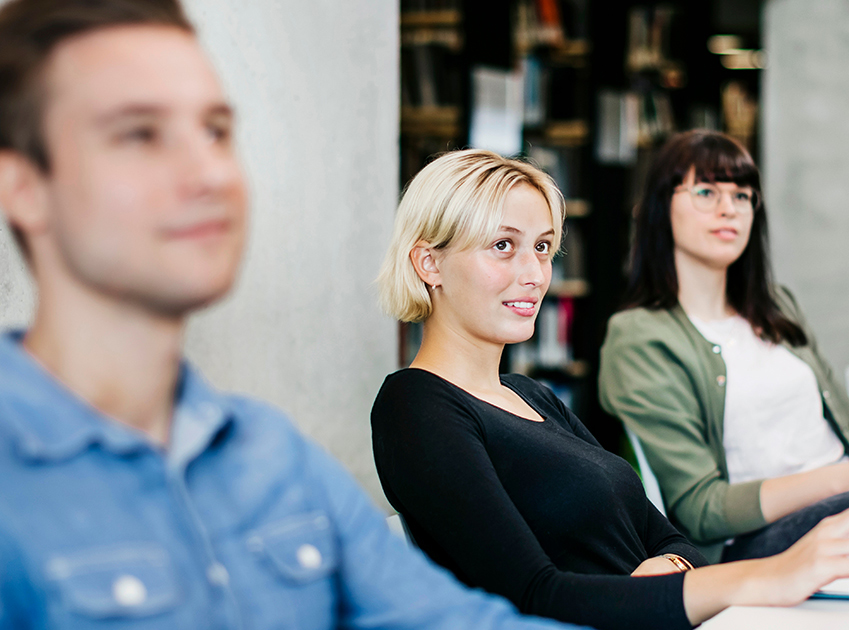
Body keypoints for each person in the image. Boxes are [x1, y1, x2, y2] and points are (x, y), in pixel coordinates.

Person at [0, 1, 581, 628]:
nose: (207, 173)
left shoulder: (273, 457)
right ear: (24, 186)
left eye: (217, 132)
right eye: (139, 134)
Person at [371, 149, 849, 630]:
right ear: (429, 263)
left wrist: (668, 569)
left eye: (541, 248)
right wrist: (762, 577)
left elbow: (671, 537)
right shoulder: (416, 407)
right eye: (503, 246)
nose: (535, 273)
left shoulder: (532, 397)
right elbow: (532, 597)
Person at [596, 130, 849, 565]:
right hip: (756, 542)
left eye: (743, 195)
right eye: (706, 191)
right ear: (660, 207)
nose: (729, 208)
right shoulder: (640, 337)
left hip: (846, 499)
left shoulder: (775, 305)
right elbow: (703, 510)